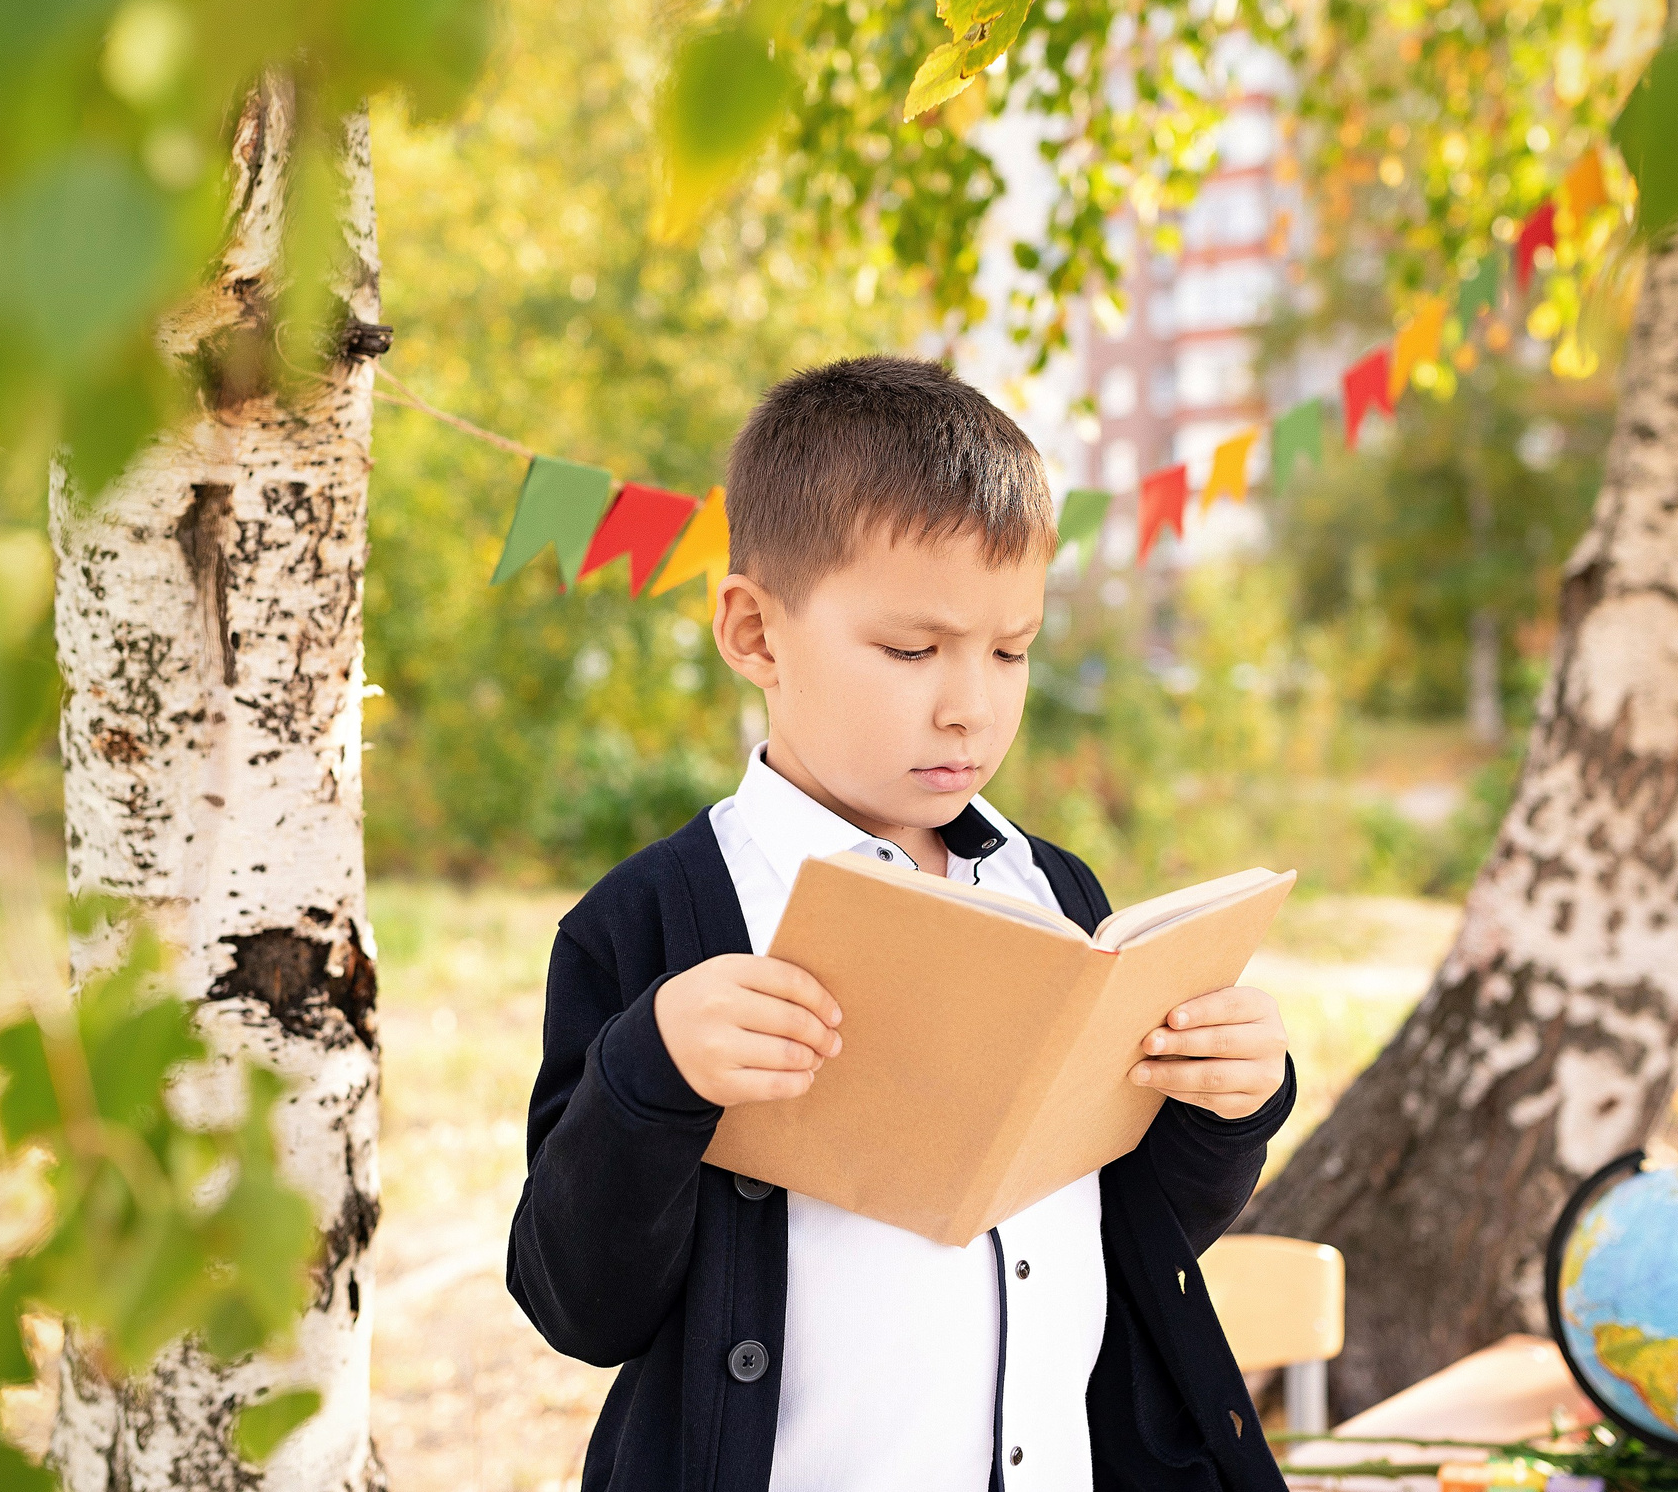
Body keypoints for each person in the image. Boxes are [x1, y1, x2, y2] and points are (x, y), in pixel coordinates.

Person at [507, 356, 1298, 1492]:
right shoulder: (646, 923)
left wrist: (1224, 1103)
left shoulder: (1056, 889)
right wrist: (654, 1070)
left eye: (1010, 650)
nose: (969, 703)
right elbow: (575, 1299)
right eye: (912, 650)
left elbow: (1130, 1227)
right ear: (755, 633)